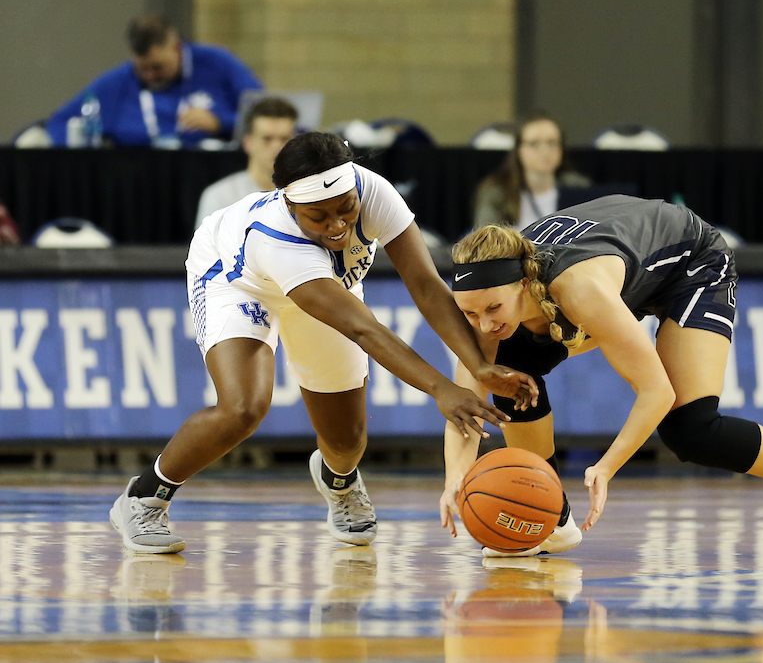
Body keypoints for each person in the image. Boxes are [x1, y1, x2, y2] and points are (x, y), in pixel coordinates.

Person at [109, 132, 538, 555]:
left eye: (345, 209)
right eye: (319, 216)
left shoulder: (372, 191)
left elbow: (426, 284)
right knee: (243, 407)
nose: (337, 225)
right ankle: (144, 498)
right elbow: (363, 329)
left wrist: (477, 367)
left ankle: (340, 480)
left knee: (347, 438)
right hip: (237, 279)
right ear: (289, 203)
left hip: (324, 285)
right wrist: (442, 388)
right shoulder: (276, 238)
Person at [441, 195, 763, 559]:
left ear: (522, 285)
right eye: (469, 313)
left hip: (691, 264)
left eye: (493, 309)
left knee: (692, 429)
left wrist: (607, 467)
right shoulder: (489, 309)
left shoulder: (578, 288)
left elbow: (656, 392)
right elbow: (465, 405)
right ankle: (549, 515)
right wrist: (453, 481)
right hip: (624, 260)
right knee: (507, 376)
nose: (481, 325)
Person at [46, 14, 262, 148]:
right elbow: (59, 123)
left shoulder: (218, 64)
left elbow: (269, 117)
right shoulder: (119, 81)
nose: (150, 76)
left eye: (158, 67)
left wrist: (221, 123)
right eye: (142, 68)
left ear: (177, 48)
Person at [194, 96, 299, 228]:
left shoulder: (309, 196)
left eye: (284, 139)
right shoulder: (219, 196)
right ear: (248, 142)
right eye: (267, 139)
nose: (277, 147)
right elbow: (205, 248)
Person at [472, 113, 591, 229]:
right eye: (534, 143)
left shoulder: (578, 187)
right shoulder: (496, 191)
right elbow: (487, 239)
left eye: (552, 143)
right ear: (518, 149)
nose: (545, 151)